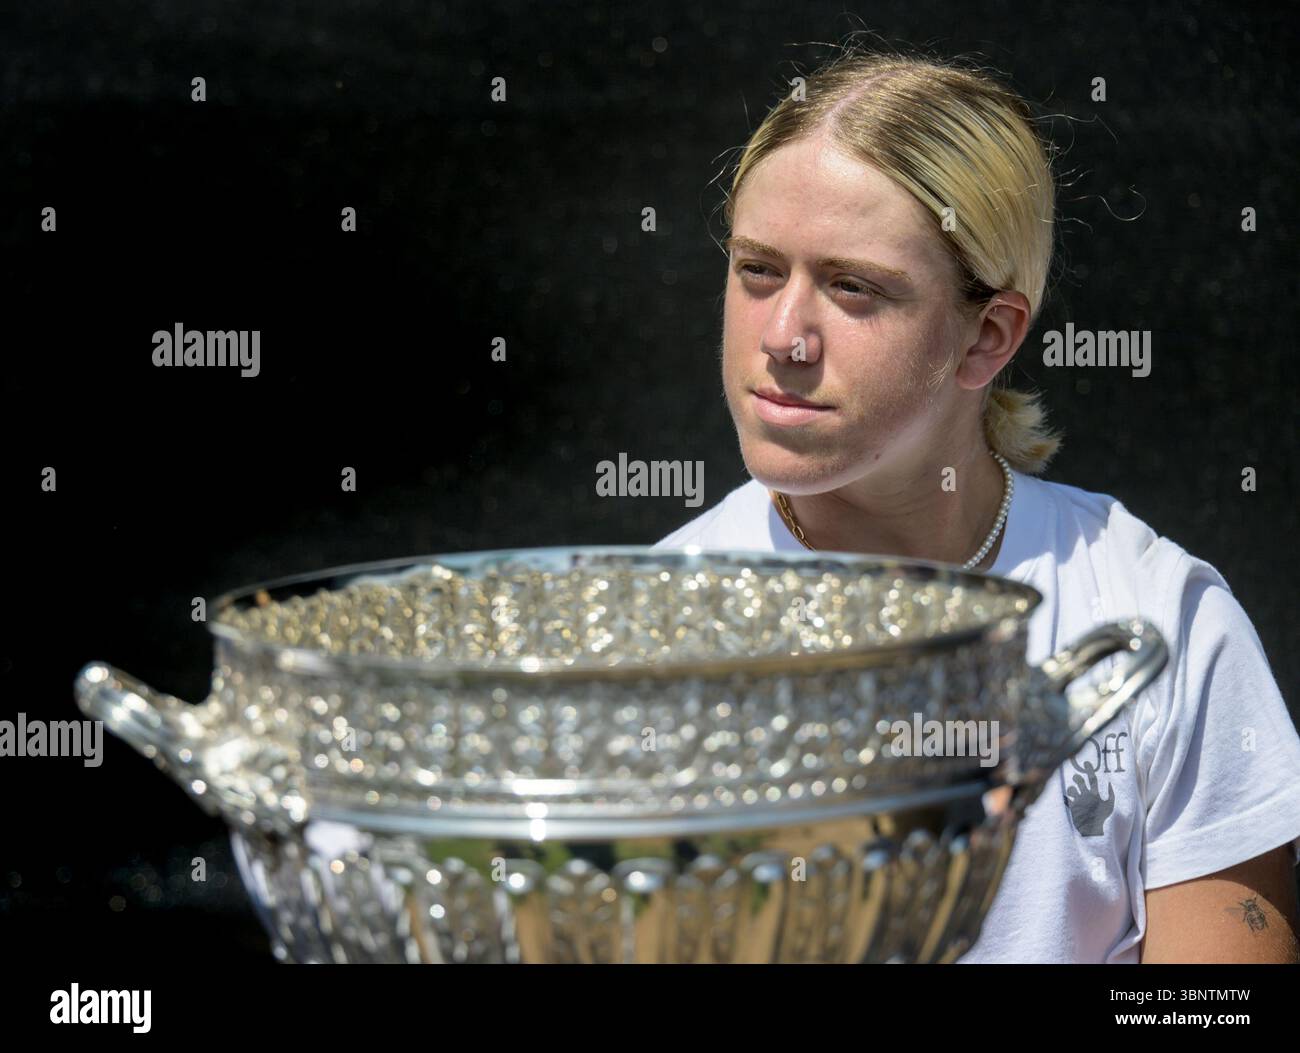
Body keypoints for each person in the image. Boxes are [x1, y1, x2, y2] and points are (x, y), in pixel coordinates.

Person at [651, 49, 1300, 963]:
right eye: (758, 270)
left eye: (853, 287)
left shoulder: (1160, 622)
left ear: (986, 336)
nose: (784, 336)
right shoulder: (638, 632)